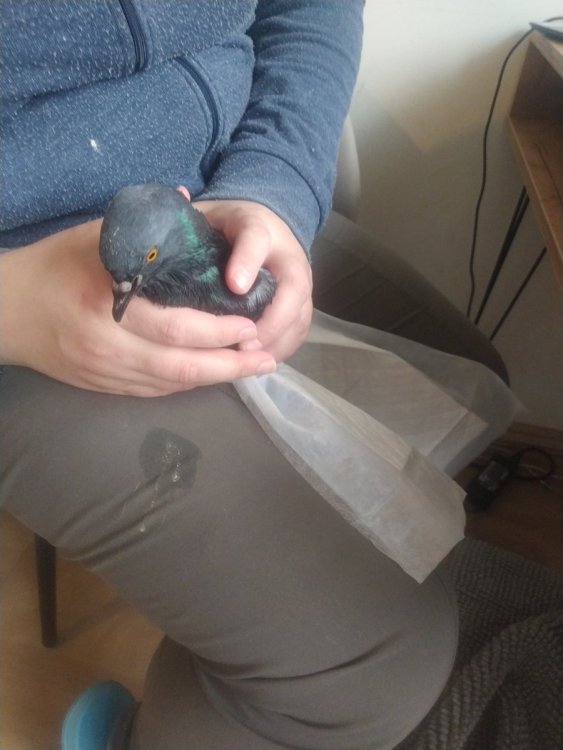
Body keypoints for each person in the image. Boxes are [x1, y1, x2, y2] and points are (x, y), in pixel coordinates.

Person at [0, 2, 486, 748]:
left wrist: (276, 185)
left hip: (226, 201)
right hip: (24, 308)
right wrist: (11, 307)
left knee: (469, 392)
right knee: (371, 672)